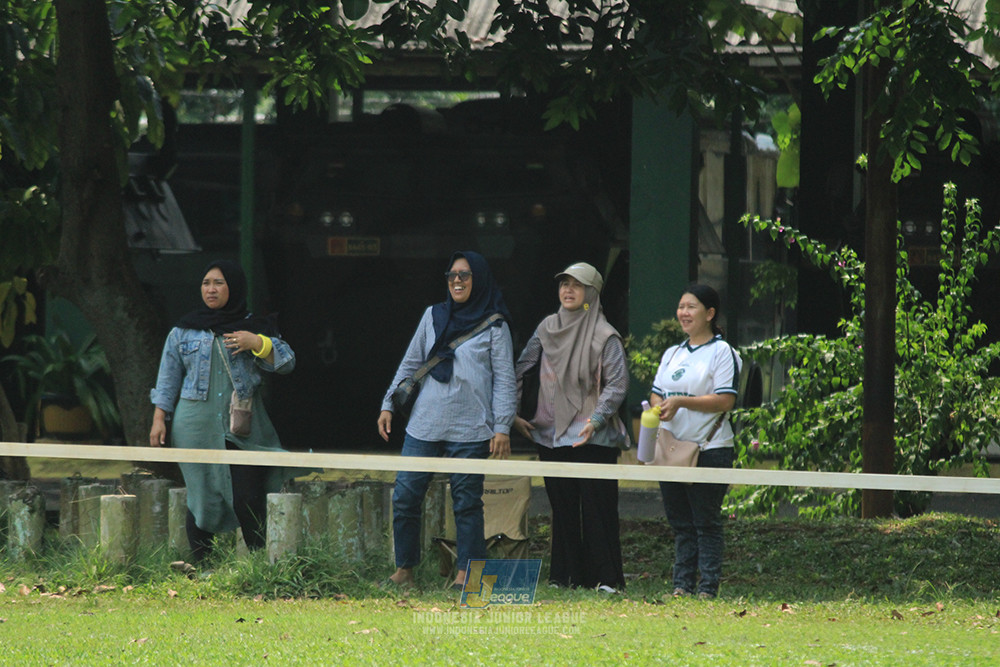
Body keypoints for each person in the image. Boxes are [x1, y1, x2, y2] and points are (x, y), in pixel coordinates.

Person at [378, 251, 516, 590]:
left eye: (465, 275)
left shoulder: (495, 324)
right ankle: (405, 571)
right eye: (452, 274)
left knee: (467, 503)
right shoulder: (432, 315)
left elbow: (505, 379)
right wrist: (387, 405)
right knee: (406, 496)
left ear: (479, 279)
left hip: (471, 428)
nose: (457, 280)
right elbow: (411, 363)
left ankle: (467, 576)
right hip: (425, 423)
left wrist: (502, 427)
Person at [150, 260, 297, 564]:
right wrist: (159, 418)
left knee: (248, 496)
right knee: (200, 496)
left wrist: (255, 341)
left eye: (218, 283)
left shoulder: (252, 326)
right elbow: (167, 379)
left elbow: (286, 362)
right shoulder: (183, 331)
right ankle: (201, 567)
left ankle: (259, 566)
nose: (211, 289)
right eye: (206, 283)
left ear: (234, 287)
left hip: (243, 427)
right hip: (193, 427)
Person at [514, 262, 628, 593]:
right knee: (562, 509)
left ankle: (606, 579)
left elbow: (617, 384)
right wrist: (513, 414)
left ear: (591, 293)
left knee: (597, 509)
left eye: (576, 285)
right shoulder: (547, 328)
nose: (567, 290)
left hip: (594, 436)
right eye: (563, 283)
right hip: (550, 435)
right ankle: (565, 576)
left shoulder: (605, 336)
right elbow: (522, 367)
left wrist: (596, 420)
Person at [649, 283, 741, 600]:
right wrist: (661, 405)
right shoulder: (672, 353)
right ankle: (681, 585)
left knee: (706, 521)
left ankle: (707, 588)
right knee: (680, 523)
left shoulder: (722, 352)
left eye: (691, 307)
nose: (683, 313)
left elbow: (725, 400)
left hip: (710, 448)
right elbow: (657, 392)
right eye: (681, 306)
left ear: (710, 313)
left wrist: (682, 402)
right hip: (672, 448)